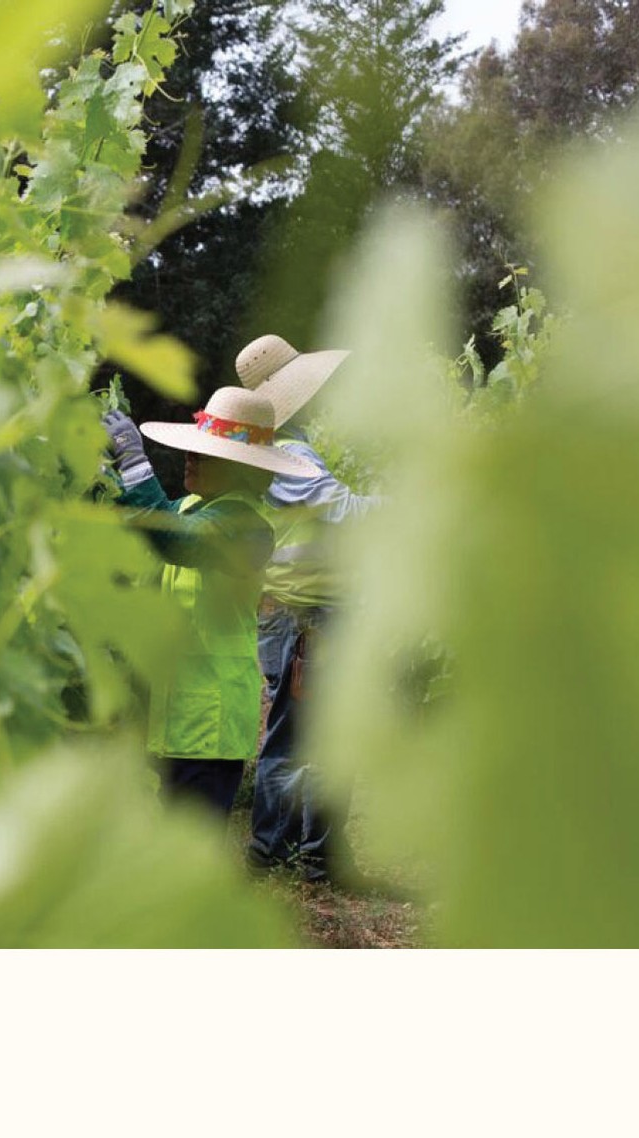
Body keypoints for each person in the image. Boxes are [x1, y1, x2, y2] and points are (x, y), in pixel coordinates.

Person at [103, 386, 320, 819]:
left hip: (207, 724)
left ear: (240, 471)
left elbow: (173, 540)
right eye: (193, 449)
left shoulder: (246, 527)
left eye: (205, 454)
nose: (190, 457)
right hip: (169, 714)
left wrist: (135, 464)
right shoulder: (188, 507)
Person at [233, 334, 382, 883]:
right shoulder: (289, 456)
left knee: (295, 734)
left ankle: (290, 850)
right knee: (303, 738)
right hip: (308, 618)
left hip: (292, 613)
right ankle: (293, 853)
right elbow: (345, 511)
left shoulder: (266, 449)